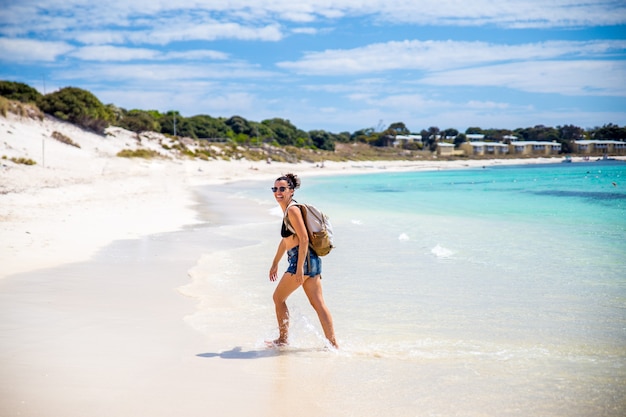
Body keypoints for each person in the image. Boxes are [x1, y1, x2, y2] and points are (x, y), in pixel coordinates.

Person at [268, 173, 338, 349]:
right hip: (311, 260)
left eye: (282, 189)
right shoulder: (288, 210)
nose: (278, 192)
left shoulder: (292, 209)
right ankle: (333, 345)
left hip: (302, 260)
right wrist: (275, 262)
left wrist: (299, 268)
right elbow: (286, 241)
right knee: (318, 304)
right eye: (275, 189)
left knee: (278, 298)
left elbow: (304, 238)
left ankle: (283, 340)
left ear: (291, 191)